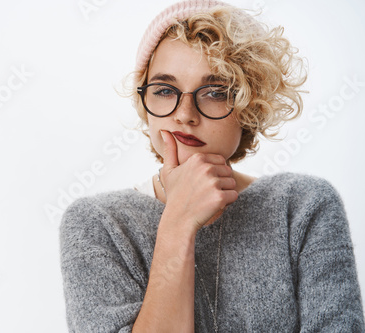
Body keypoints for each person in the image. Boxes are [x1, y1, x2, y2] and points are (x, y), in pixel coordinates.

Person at [59, 0, 365, 331]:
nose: (184, 114)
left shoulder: (302, 206)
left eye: (215, 92)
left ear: (251, 106)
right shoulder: (97, 224)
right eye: (164, 90)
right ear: (144, 102)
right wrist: (178, 223)